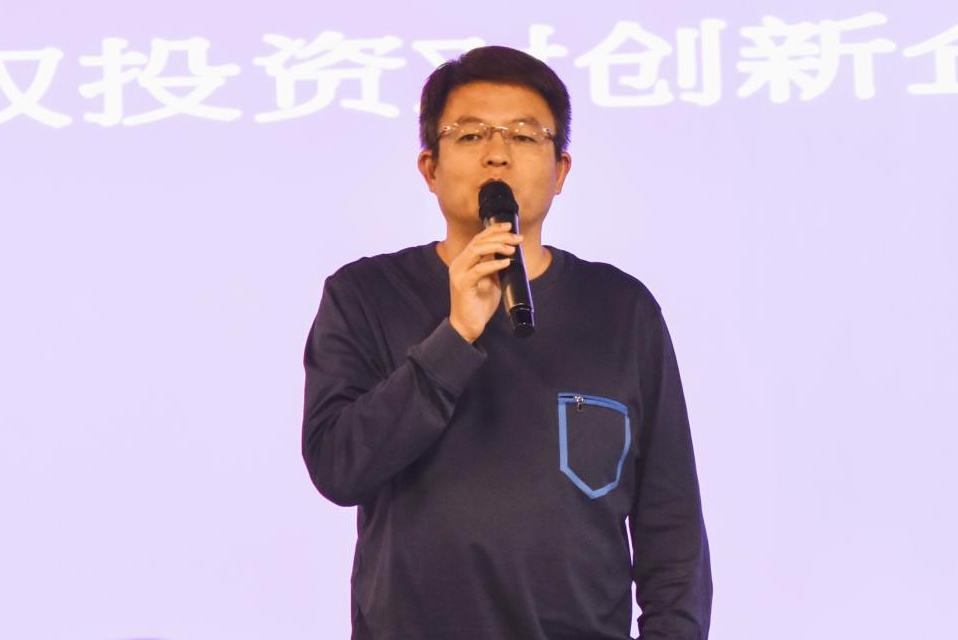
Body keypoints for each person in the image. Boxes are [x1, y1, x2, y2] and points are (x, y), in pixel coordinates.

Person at [302, 46, 711, 639]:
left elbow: (671, 526)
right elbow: (339, 468)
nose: (497, 153)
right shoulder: (364, 295)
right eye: (470, 135)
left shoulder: (622, 308)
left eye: (523, 136)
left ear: (561, 170)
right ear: (429, 168)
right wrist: (455, 336)